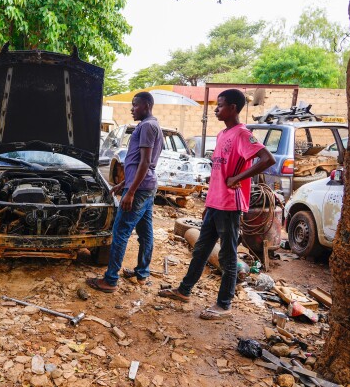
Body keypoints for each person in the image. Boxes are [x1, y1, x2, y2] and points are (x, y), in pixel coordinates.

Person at [159, 89, 276, 320]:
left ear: (233, 108)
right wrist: (208, 203)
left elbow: (267, 159)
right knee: (201, 250)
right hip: (215, 204)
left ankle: (224, 305)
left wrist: (238, 178)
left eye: (220, 105)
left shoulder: (242, 134)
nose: (215, 109)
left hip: (230, 206)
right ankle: (184, 291)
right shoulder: (223, 134)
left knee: (227, 256)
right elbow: (218, 173)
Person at [86, 92, 163, 292]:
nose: (132, 108)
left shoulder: (146, 126)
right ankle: (142, 273)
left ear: (146, 105)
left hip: (139, 189)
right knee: (146, 232)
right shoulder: (154, 125)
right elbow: (140, 161)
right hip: (147, 186)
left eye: (135, 105)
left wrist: (130, 191)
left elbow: (145, 162)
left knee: (120, 232)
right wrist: (123, 185)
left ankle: (110, 280)